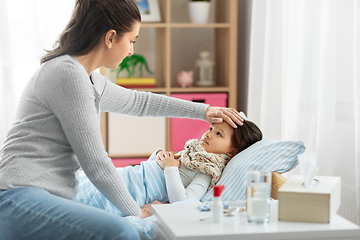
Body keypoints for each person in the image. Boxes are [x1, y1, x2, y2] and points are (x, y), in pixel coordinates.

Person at [0, 0, 243, 239]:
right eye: (131, 40)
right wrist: (137, 213)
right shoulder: (68, 74)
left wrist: (203, 112)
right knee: (124, 230)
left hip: (43, 194)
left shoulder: (87, 78)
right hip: (17, 195)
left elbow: (140, 102)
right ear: (110, 37)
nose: (131, 50)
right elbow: (96, 165)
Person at [73, 120, 262, 219]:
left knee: (83, 202)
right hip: (129, 175)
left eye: (218, 134)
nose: (209, 134)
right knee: (79, 184)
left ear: (233, 150)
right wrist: (159, 155)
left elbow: (183, 201)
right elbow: (154, 167)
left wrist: (170, 168)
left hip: (133, 191)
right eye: (212, 128)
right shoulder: (193, 153)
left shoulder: (206, 171)